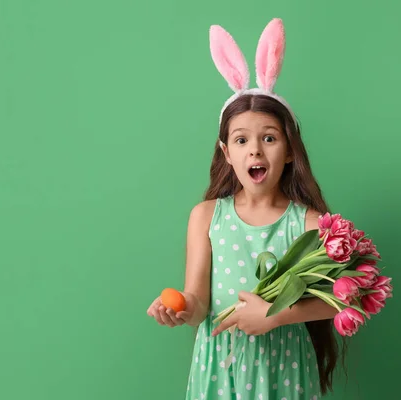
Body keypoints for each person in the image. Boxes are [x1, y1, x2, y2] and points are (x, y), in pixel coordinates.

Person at [147, 18, 347, 399]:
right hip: (219, 367)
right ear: (227, 153)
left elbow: (342, 297)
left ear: (289, 151)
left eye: (269, 138)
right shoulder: (206, 217)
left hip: (283, 368)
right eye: (241, 140)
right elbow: (198, 300)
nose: (254, 149)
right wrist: (180, 309)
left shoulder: (308, 222)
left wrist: (274, 315)